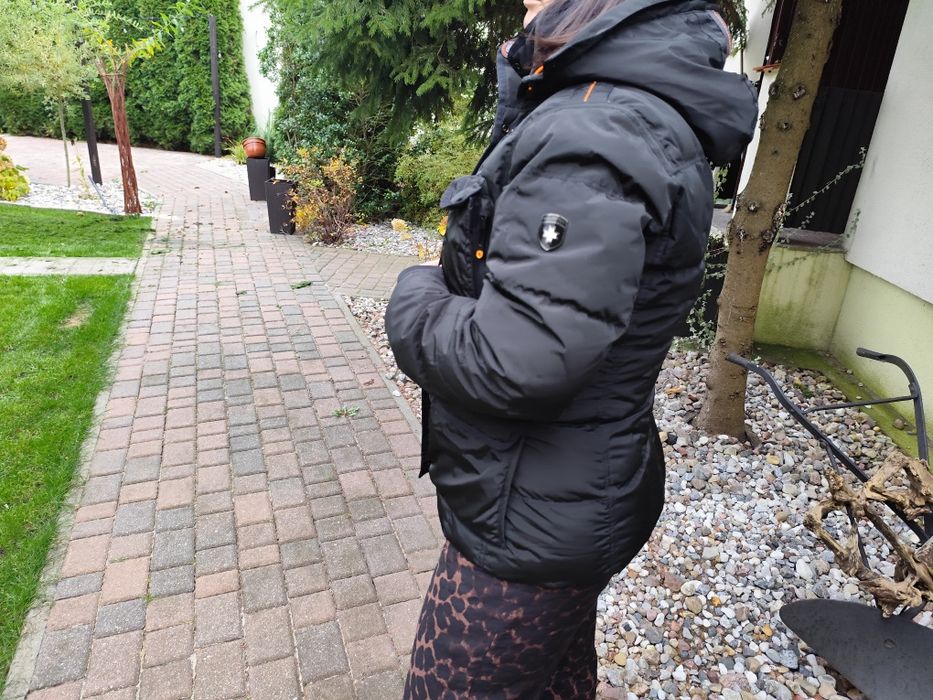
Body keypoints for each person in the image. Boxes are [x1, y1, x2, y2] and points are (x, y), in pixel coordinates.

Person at [385, 0, 758, 696]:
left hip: (526, 524)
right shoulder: (612, 111)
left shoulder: (598, 130)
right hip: (557, 498)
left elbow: (515, 360)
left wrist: (414, 296)